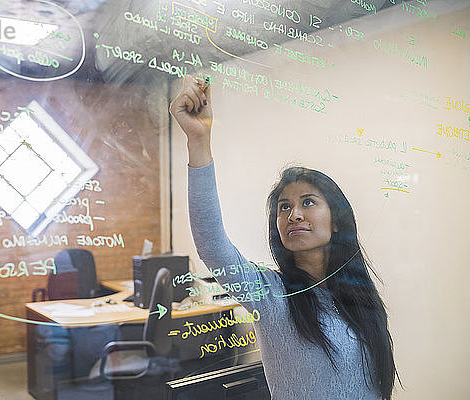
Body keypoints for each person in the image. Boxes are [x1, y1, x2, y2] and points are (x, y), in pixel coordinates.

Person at [169, 75, 398, 400]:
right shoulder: (270, 295)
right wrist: (198, 141)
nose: (294, 214)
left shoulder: (359, 297)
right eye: (284, 207)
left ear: (336, 221)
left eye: (308, 202)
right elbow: (211, 245)